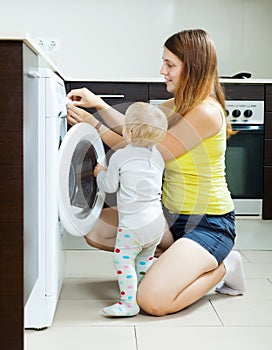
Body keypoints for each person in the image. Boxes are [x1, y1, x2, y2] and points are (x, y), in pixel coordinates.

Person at [66, 28, 246, 317]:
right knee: (95, 229)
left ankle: (226, 267)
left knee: (152, 302)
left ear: (194, 67)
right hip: (167, 218)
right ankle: (176, 261)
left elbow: (144, 153)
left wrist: (94, 125)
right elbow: (136, 128)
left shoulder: (206, 112)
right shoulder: (176, 105)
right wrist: (99, 104)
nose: (162, 71)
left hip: (208, 224)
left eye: (170, 64)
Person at [93, 101, 167, 316]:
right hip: (156, 224)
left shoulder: (121, 156)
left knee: (123, 261)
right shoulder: (158, 156)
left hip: (133, 226)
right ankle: (142, 293)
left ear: (130, 132)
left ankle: (128, 303)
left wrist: (100, 173)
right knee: (144, 260)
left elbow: (109, 185)